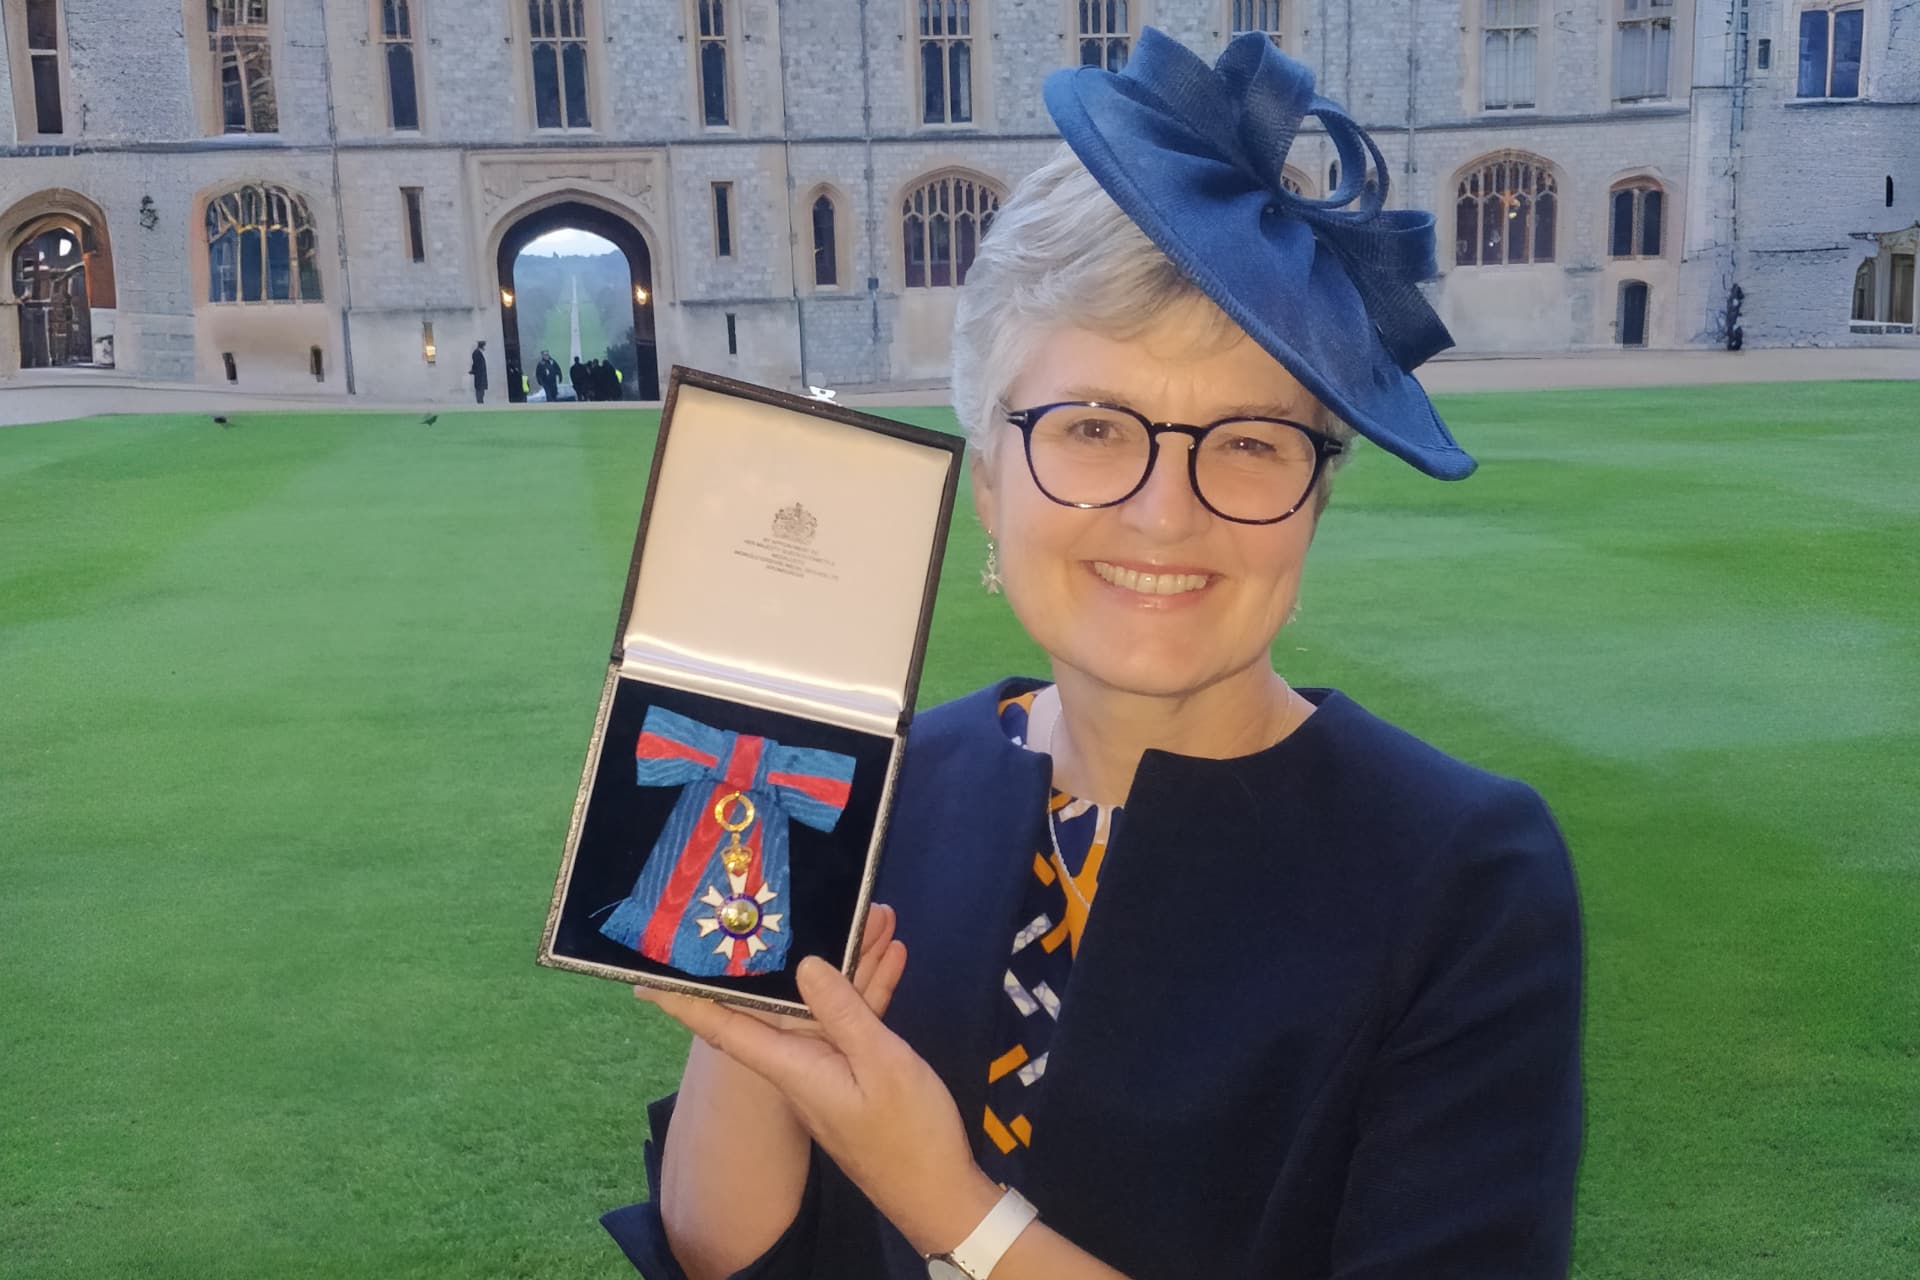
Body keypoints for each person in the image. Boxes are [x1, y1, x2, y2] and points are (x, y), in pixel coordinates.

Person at [606, 29, 1582, 1280]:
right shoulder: (884, 782)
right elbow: (730, 1254)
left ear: (1315, 497)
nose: (1164, 514)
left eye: (1247, 442)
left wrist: (952, 1205)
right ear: (989, 486)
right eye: (1090, 426)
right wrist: (746, 1012)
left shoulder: (1461, 875)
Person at [469, 339, 488, 404]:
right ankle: (480, 404)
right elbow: (476, 365)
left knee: (481, 393)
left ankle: (480, 403)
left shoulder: (478, 353)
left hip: (480, 377)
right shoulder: (477, 353)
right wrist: (474, 371)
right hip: (480, 378)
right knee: (480, 394)